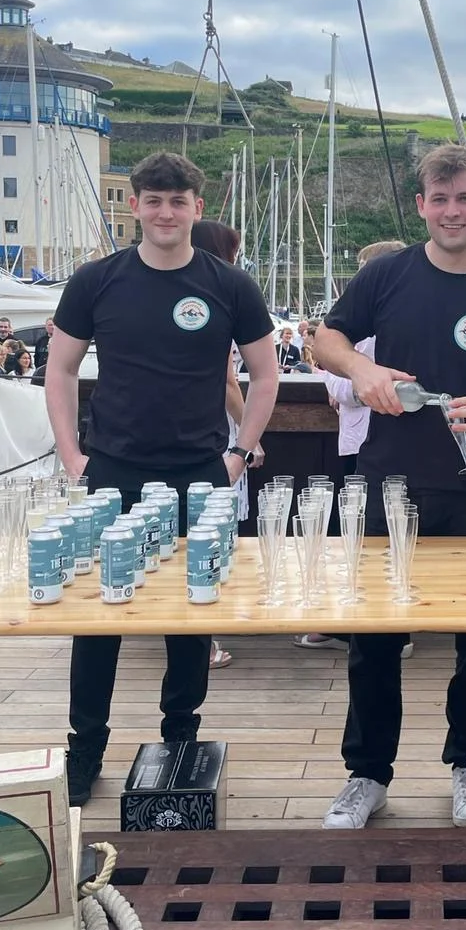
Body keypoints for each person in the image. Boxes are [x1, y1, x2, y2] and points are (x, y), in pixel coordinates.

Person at [313, 143, 466, 829]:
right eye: (439, 199)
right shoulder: (388, 277)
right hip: (386, 487)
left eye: (464, 198)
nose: (452, 211)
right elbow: (324, 340)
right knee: (375, 637)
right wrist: (361, 373)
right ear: (421, 206)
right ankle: (367, 775)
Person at [46, 152, 279, 806]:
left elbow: (265, 376)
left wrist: (239, 453)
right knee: (99, 620)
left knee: (189, 617)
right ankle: (83, 749)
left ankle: (181, 741)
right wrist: (73, 456)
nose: (165, 212)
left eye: (178, 201)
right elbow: (60, 370)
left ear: (196, 209)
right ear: (136, 208)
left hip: (200, 470)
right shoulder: (97, 281)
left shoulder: (229, 286)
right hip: (113, 470)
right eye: (153, 200)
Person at [298, 239, 407, 654]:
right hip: (364, 440)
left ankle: (366, 630)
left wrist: (324, 375)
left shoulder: (376, 327)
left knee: (362, 536)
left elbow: (361, 388)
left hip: (367, 444)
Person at [189, 216, 270, 672]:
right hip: (216, 432)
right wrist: (249, 439)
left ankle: (200, 632)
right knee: (212, 530)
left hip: (189, 426)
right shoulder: (222, 296)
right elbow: (228, 381)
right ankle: (205, 636)